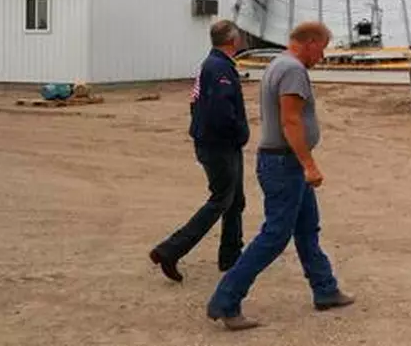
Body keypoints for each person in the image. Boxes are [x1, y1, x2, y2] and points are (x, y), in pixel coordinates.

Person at [206, 21, 354, 331]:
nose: (323, 56)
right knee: (274, 236)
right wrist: (309, 164)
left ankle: (325, 289)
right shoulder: (292, 70)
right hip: (285, 164)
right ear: (310, 42)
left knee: (307, 229)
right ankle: (226, 299)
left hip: (285, 163)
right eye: (323, 48)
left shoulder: (279, 64)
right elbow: (291, 121)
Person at [149, 20, 249, 282]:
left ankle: (231, 255)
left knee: (235, 200)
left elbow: (196, 103)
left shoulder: (214, 64)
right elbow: (220, 112)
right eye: (239, 37)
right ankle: (171, 249)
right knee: (221, 200)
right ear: (232, 40)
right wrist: (239, 132)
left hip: (217, 143)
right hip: (219, 145)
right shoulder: (219, 69)